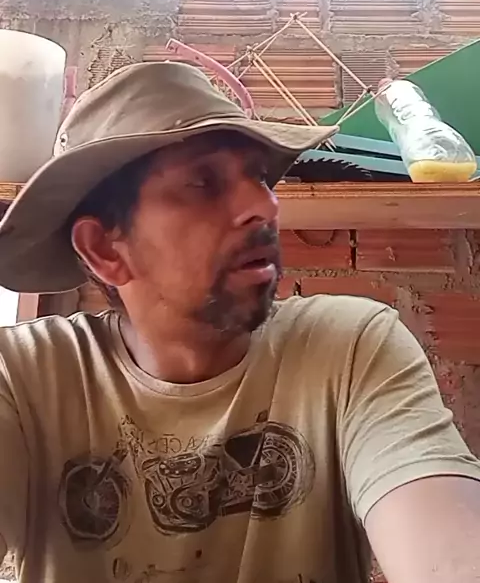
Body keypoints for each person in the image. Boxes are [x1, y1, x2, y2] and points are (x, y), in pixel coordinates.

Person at [0, 60, 479, 583]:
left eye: (259, 177)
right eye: (203, 182)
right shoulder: (22, 377)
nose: (265, 204)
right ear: (104, 250)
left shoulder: (350, 349)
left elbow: (449, 555)